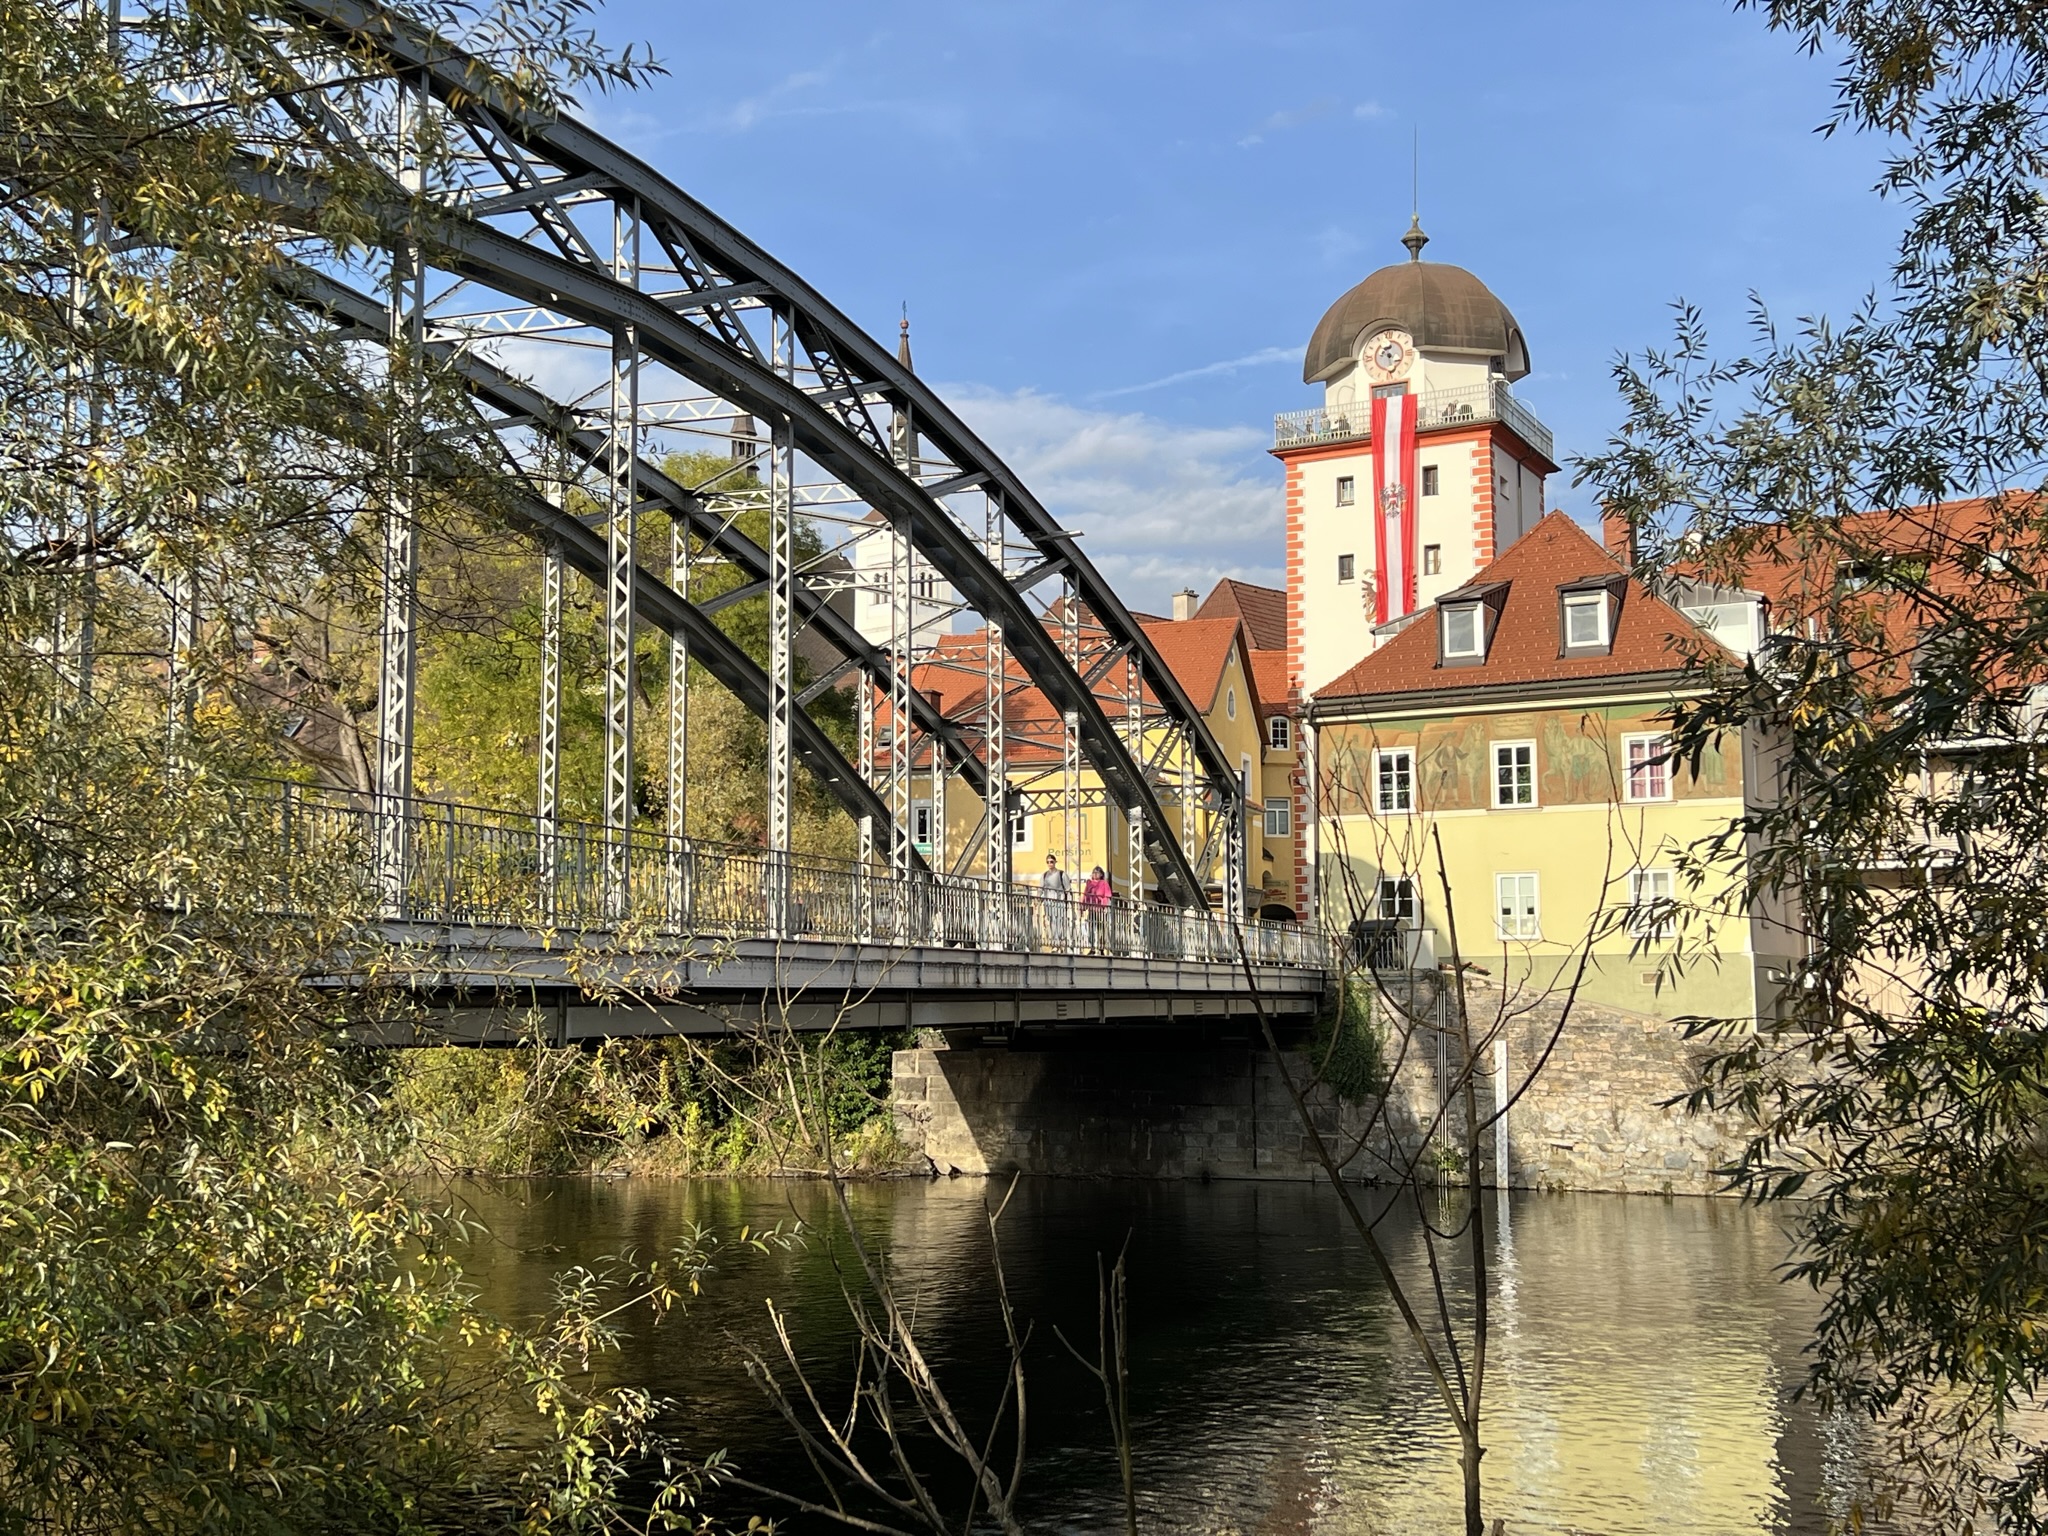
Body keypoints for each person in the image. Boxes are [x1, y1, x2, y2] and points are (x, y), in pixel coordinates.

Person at [1039, 852, 1071, 948]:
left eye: (1051, 862)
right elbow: (1041, 888)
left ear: (1055, 862)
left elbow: (1068, 889)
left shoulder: (1062, 874)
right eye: (1048, 862)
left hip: (1059, 900)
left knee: (1060, 920)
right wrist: (1038, 899)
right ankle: (1055, 941)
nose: (1050, 864)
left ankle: (1061, 939)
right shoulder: (1044, 875)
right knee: (1052, 920)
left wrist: (1069, 901)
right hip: (1048, 901)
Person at [1083, 865, 1112, 953]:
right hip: (1092, 909)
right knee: (1091, 928)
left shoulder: (1104, 883)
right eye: (1094, 872)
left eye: (1097, 873)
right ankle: (1092, 947)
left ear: (1101, 874)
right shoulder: (1089, 883)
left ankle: (1101, 947)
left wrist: (1106, 906)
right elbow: (1085, 895)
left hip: (1101, 909)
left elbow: (1107, 896)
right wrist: (1083, 906)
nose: (1095, 874)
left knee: (1101, 928)